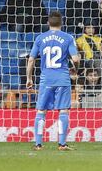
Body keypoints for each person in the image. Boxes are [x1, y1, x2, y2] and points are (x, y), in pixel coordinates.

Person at [26, 11, 80, 151]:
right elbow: (75, 59)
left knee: (41, 111)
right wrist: (75, 69)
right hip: (62, 79)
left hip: (46, 80)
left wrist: (29, 78)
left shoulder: (40, 38)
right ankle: (62, 144)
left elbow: (31, 59)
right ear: (61, 22)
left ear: (48, 23)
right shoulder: (68, 38)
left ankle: (38, 144)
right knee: (63, 111)